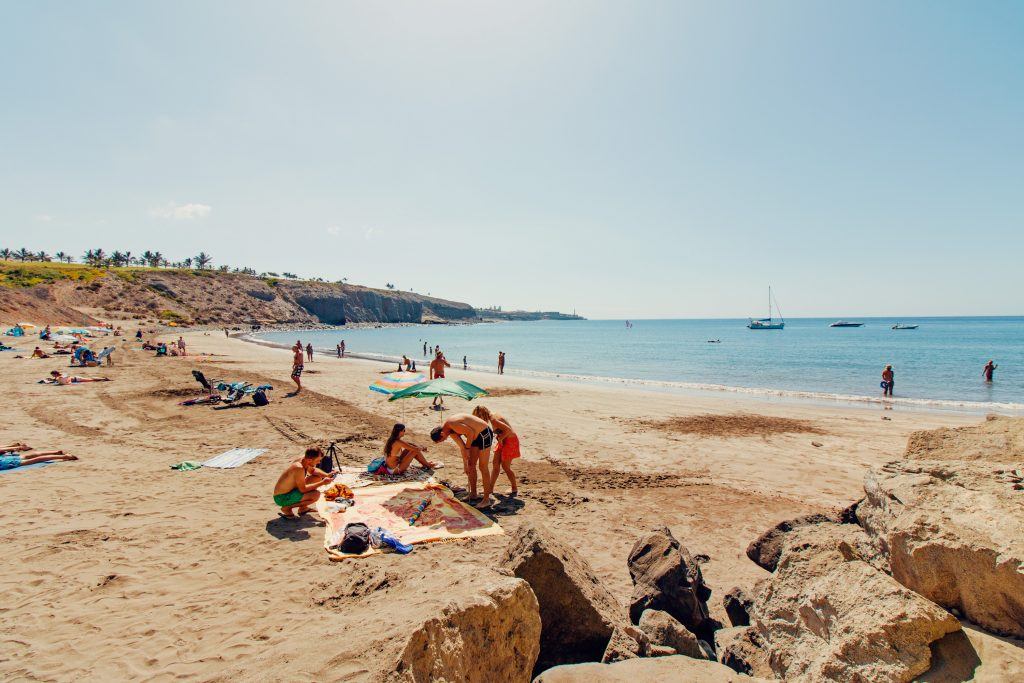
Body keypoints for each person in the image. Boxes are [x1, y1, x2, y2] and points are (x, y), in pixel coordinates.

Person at [430, 413, 494, 508]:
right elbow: (462, 447)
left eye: (442, 440)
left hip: (484, 434)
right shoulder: (449, 431)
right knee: (471, 465)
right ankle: (473, 494)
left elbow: (470, 432)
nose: (444, 440)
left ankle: (486, 500)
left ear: (442, 434)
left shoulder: (453, 424)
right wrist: (465, 464)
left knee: (482, 467)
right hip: (474, 437)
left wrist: (468, 448)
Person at [272, 446, 334, 516]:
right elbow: (303, 490)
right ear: (310, 460)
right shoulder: (299, 468)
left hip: (290, 490)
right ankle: (287, 508)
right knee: (316, 495)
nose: (319, 462)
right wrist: (322, 483)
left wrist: (327, 475)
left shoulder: (304, 459)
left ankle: (303, 509)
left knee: (316, 478)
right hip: (282, 497)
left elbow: (313, 470)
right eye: (317, 461)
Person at [473, 405, 519, 498]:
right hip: (502, 440)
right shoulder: (492, 416)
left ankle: (514, 488)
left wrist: (501, 439)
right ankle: (490, 488)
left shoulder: (493, 419)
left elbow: (509, 430)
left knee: (505, 466)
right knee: (495, 464)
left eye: (479, 417)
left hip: (510, 441)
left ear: (482, 414)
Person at [0, 444, 78, 471]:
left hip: (5, 463)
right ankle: (55, 452)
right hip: (4, 459)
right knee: (29, 456)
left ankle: (65, 456)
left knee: (35, 460)